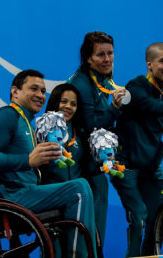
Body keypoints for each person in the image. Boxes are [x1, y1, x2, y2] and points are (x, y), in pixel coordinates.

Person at [0, 69, 98, 258]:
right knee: (79, 188)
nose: (41, 95)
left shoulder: (27, 123)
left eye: (43, 91)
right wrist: (28, 160)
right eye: (34, 89)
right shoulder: (6, 116)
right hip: (9, 195)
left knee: (80, 185)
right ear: (15, 91)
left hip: (21, 191)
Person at [111, 42, 163, 257]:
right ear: (149, 64)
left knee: (157, 221)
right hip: (126, 167)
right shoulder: (135, 86)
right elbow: (148, 104)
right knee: (139, 220)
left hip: (152, 168)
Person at [68, 31, 127, 245]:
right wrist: (114, 108)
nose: (107, 59)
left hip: (94, 164)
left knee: (96, 223)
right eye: (100, 55)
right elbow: (90, 126)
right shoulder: (82, 84)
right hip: (82, 166)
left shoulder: (103, 80)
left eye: (110, 53)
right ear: (87, 58)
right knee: (88, 225)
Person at [40, 83, 105, 255]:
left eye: (73, 104)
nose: (68, 107)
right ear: (54, 102)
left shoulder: (80, 132)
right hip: (52, 195)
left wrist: (103, 160)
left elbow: (87, 167)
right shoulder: (42, 128)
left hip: (76, 200)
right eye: (63, 101)